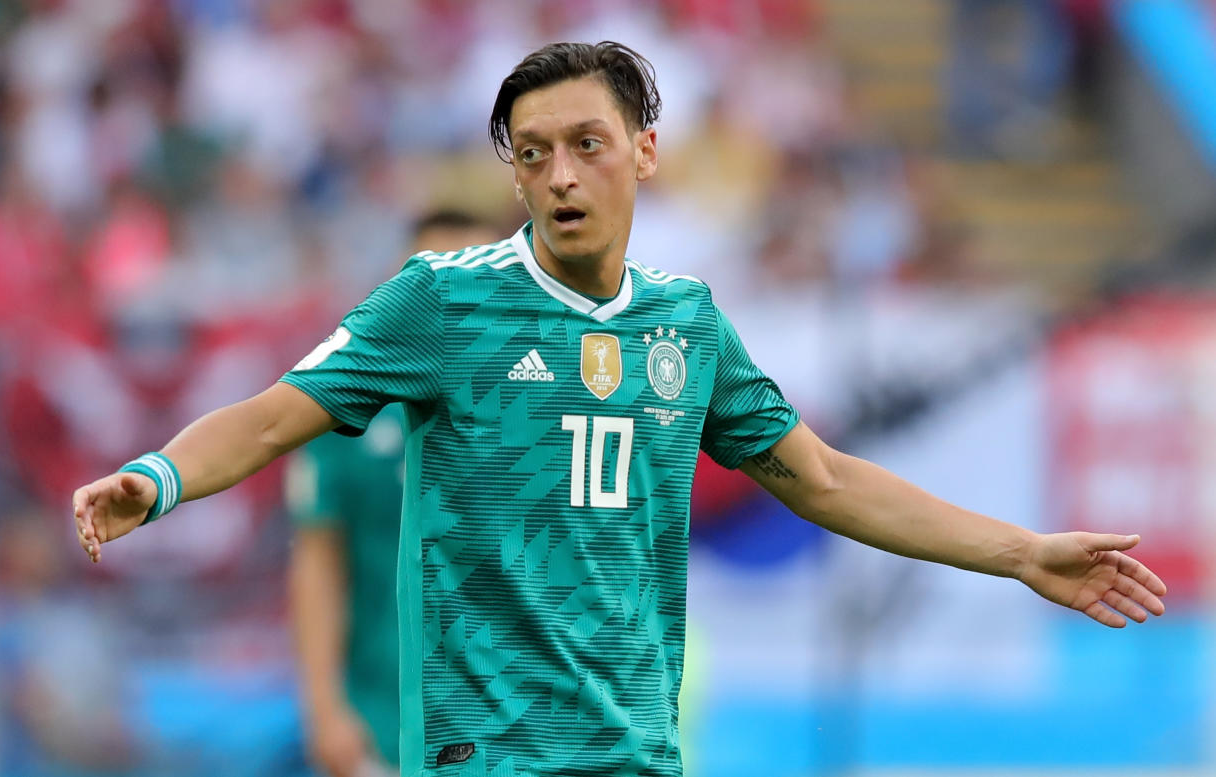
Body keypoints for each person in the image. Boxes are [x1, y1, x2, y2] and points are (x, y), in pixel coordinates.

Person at [74, 41, 1167, 777]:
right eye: (533, 153)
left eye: (586, 144)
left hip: (637, 755)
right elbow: (270, 420)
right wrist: (158, 477)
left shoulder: (686, 329)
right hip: (485, 758)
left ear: (645, 151)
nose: (559, 175)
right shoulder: (444, 302)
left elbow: (827, 482)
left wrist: (1021, 553)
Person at [285, 210, 499, 777]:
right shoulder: (350, 407)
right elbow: (319, 560)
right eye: (429, 279)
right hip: (383, 724)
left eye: (469, 276)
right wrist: (324, 707)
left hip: (510, 731)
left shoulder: (538, 411)